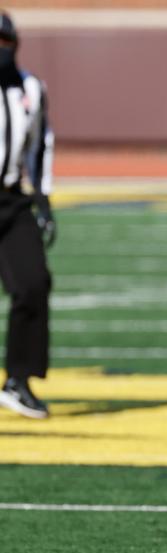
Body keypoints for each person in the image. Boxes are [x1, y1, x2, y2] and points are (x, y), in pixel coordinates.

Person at [0, 11, 55, 420]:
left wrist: (43, 197)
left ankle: (18, 380)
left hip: (12, 198)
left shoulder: (32, 88)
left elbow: (41, 144)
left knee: (34, 282)